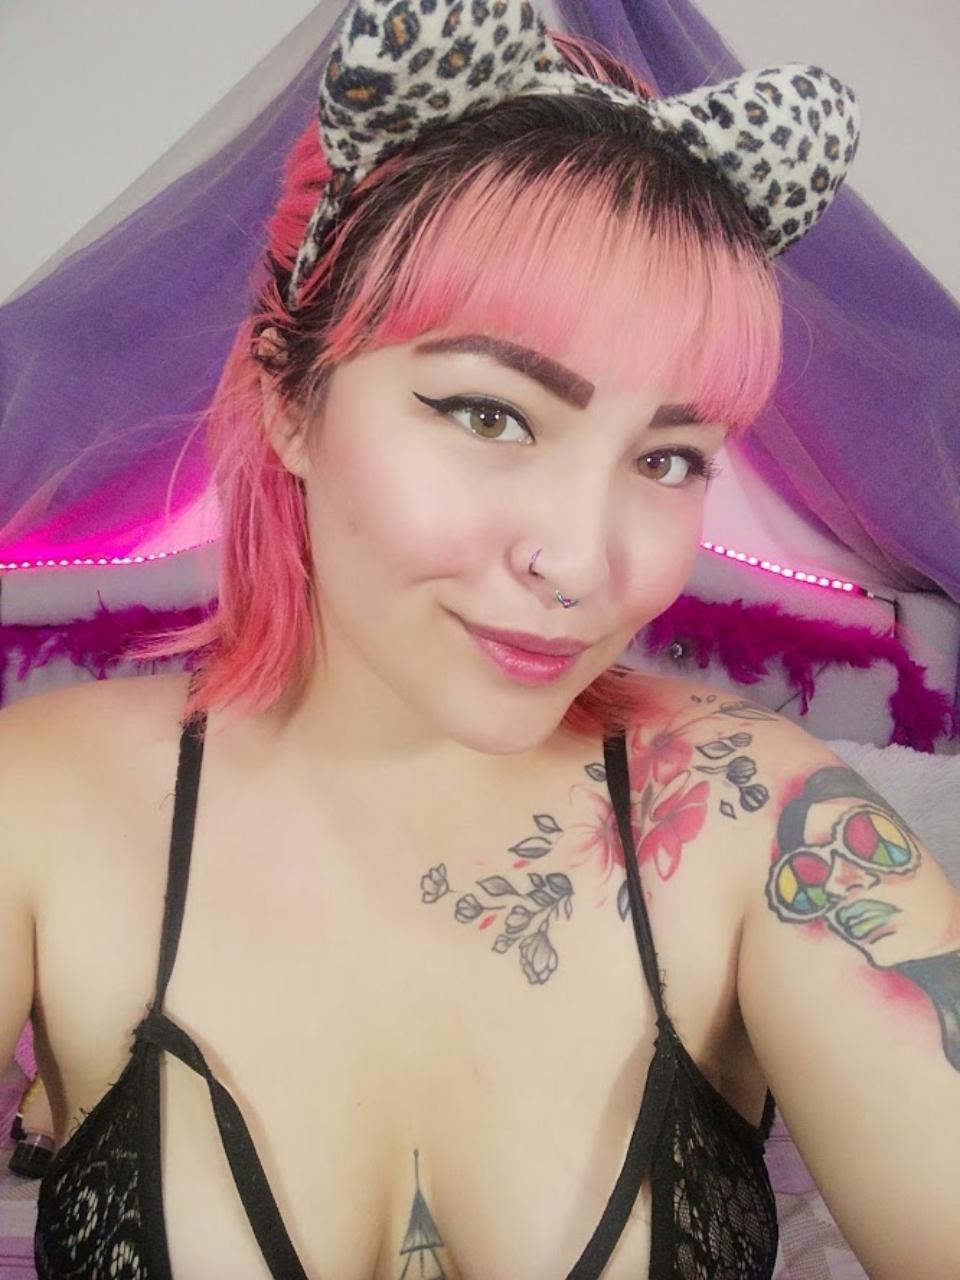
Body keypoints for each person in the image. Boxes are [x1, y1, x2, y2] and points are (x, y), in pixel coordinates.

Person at [1, 1, 957, 1276]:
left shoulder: (764, 822)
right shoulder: (40, 806)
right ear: (289, 398)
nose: (582, 562)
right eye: (491, 415)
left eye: (669, 456)